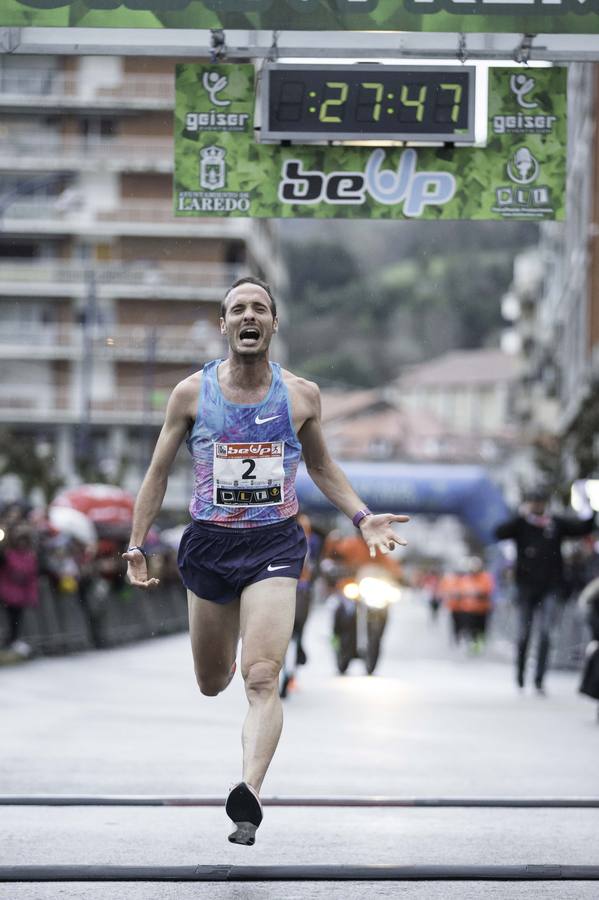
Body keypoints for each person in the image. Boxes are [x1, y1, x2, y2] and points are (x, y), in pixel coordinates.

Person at [122, 276, 409, 845]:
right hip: (208, 545)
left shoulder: (302, 395)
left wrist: (361, 515)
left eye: (259, 308)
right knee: (211, 682)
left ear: (274, 324)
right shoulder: (189, 394)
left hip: (274, 544)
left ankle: (248, 794)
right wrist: (136, 541)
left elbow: (322, 466)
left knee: (262, 677)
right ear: (224, 324)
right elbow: (157, 473)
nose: (248, 316)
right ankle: (226, 660)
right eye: (237, 309)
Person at [495, 488, 596, 693]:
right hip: (526, 587)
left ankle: (539, 679)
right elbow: (498, 532)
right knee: (524, 633)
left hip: (550, 586)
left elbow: (583, 528)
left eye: (540, 502)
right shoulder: (521, 524)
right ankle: (521, 675)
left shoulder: (555, 524)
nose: (537, 506)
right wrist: (519, 516)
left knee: (545, 633)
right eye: (533, 502)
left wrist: (591, 507)